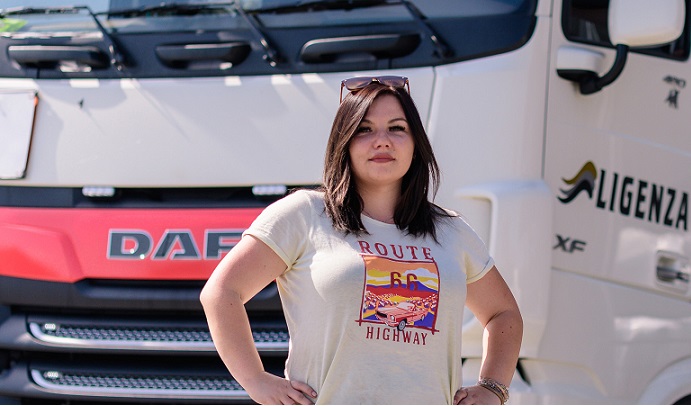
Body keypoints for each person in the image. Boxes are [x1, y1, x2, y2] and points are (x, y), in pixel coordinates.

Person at [200, 76, 523, 405]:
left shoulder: (451, 230)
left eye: (397, 128)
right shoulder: (303, 215)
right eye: (364, 129)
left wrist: (493, 388)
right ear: (344, 142)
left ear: (416, 144)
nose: (382, 141)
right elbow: (221, 292)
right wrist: (255, 379)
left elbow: (503, 314)